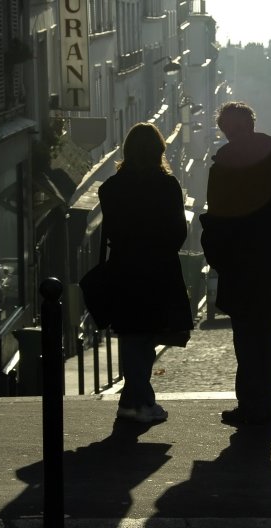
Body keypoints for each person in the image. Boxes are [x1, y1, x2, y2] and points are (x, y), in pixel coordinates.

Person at [199, 101, 271, 426]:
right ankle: (263, 404)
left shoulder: (224, 166)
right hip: (270, 261)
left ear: (228, 130)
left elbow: (216, 218)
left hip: (238, 262)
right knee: (264, 336)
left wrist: (219, 256)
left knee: (246, 336)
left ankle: (252, 404)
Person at [98, 122, 193, 424]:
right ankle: (141, 403)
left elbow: (113, 230)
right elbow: (179, 232)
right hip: (157, 269)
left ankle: (132, 400)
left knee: (131, 334)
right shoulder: (167, 186)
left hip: (124, 268)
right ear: (158, 152)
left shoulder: (110, 189)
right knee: (145, 335)